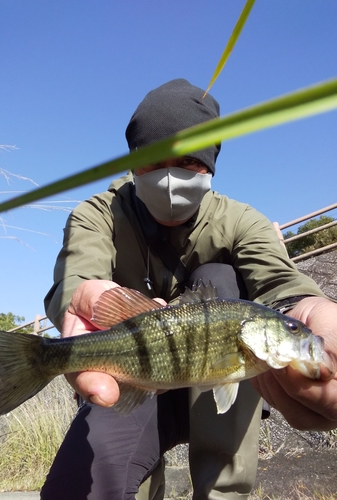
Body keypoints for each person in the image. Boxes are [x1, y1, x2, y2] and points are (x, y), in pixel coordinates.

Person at [41, 79, 337, 500]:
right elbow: (75, 277)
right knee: (76, 489)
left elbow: (279, 283)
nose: (168, 177)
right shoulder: (98, 214)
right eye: (152, 161)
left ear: (210, 164)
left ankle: (223, 490)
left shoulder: (242, 221)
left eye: (187, 162)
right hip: (133, 377)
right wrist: (82, 296)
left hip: (223, 392)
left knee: (222, 279)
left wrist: (309, 310)